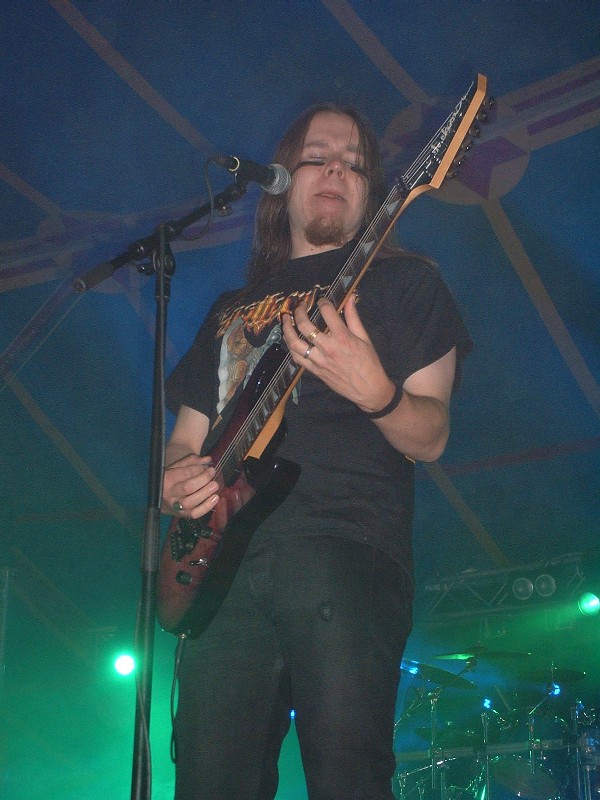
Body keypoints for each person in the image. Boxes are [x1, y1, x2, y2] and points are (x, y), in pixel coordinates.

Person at [161, 103, 472, 800]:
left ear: (373, 191)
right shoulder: (230, 307)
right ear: (283, 182)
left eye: (354, 164)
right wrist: (175, 482)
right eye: (317, 156)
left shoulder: (407, 283)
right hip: (222, 569)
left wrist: (376, 392)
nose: (336, 169)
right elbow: (184, 440)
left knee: (347, 778)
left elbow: (432, 436)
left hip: (346, 548)